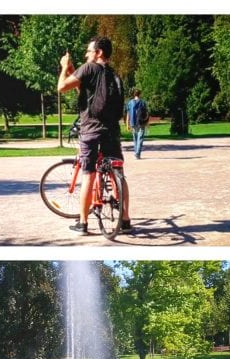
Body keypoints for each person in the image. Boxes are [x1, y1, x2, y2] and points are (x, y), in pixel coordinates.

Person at [57, 36, 131, 235]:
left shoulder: (88, 68)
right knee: (120, 175)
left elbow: (62, 87)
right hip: (112, 131)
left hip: (91, 130)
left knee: (88, 174)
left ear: (98, 52)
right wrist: (74, 70)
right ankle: (125, 221)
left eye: (89, 51)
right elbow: (86, 90)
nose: (86, 54)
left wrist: (64, 67)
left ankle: (83, 223)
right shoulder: (114, 75)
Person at [126, 89, 148, 159]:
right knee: (140, 138)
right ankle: (137, 154)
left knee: (135, 139)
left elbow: (128, 114)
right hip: (141, 122)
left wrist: (127, 124)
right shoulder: (143, 102)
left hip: (133, 122)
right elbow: (146, 113)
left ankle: (136, 153)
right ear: (140, 94)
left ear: (134, 94)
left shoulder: (130, 103)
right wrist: (147, 123)